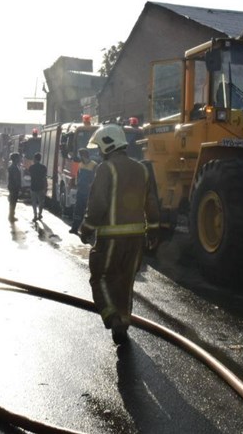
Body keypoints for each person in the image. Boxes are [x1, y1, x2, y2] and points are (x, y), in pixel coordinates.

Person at [78, 124, 160, 345]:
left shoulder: (106, 169)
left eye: (100, 147)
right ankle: (123, 323)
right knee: (125, 282)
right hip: (136, 240)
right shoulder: (142, 169)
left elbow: (98, 203)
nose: (99, 152)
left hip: (110, 239)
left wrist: (86, 229)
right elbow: (151, 202)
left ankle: (112, 317)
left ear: (107, 144)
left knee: (101, 277)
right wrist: (153, 230)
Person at [70, 148, 97, 234]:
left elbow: (95, 178)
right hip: (81, 191)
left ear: (83, 155)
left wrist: (91, 186)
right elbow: (78, 175)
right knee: (78, 210)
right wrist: (77, 184)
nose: (79, 157)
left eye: (79, 155)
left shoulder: (94, 165)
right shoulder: (80, 164)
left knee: (89, 212)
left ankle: (88, 231)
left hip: (89, 193)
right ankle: (74, 228)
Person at [28, 152, 47, 221]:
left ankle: (35, 215)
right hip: (41, 186)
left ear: (35, 159)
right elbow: (44, 178)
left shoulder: (31, 167)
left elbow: (30, 175)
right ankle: (40, 214)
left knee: (34, 202)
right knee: (41, 202)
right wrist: (46, 187)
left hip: (33, 186)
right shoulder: (43, 167)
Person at [7, 152, 22, 222]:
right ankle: (11, 215)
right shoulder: (14, 168)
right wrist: (18, 187)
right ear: (16, 159)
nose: (20, 159)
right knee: (13, 201)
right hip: (14, 187)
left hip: (11, 186)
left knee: (12, 201)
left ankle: (11, 215)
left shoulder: (12, 167)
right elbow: (15, 178)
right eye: (18, 158)